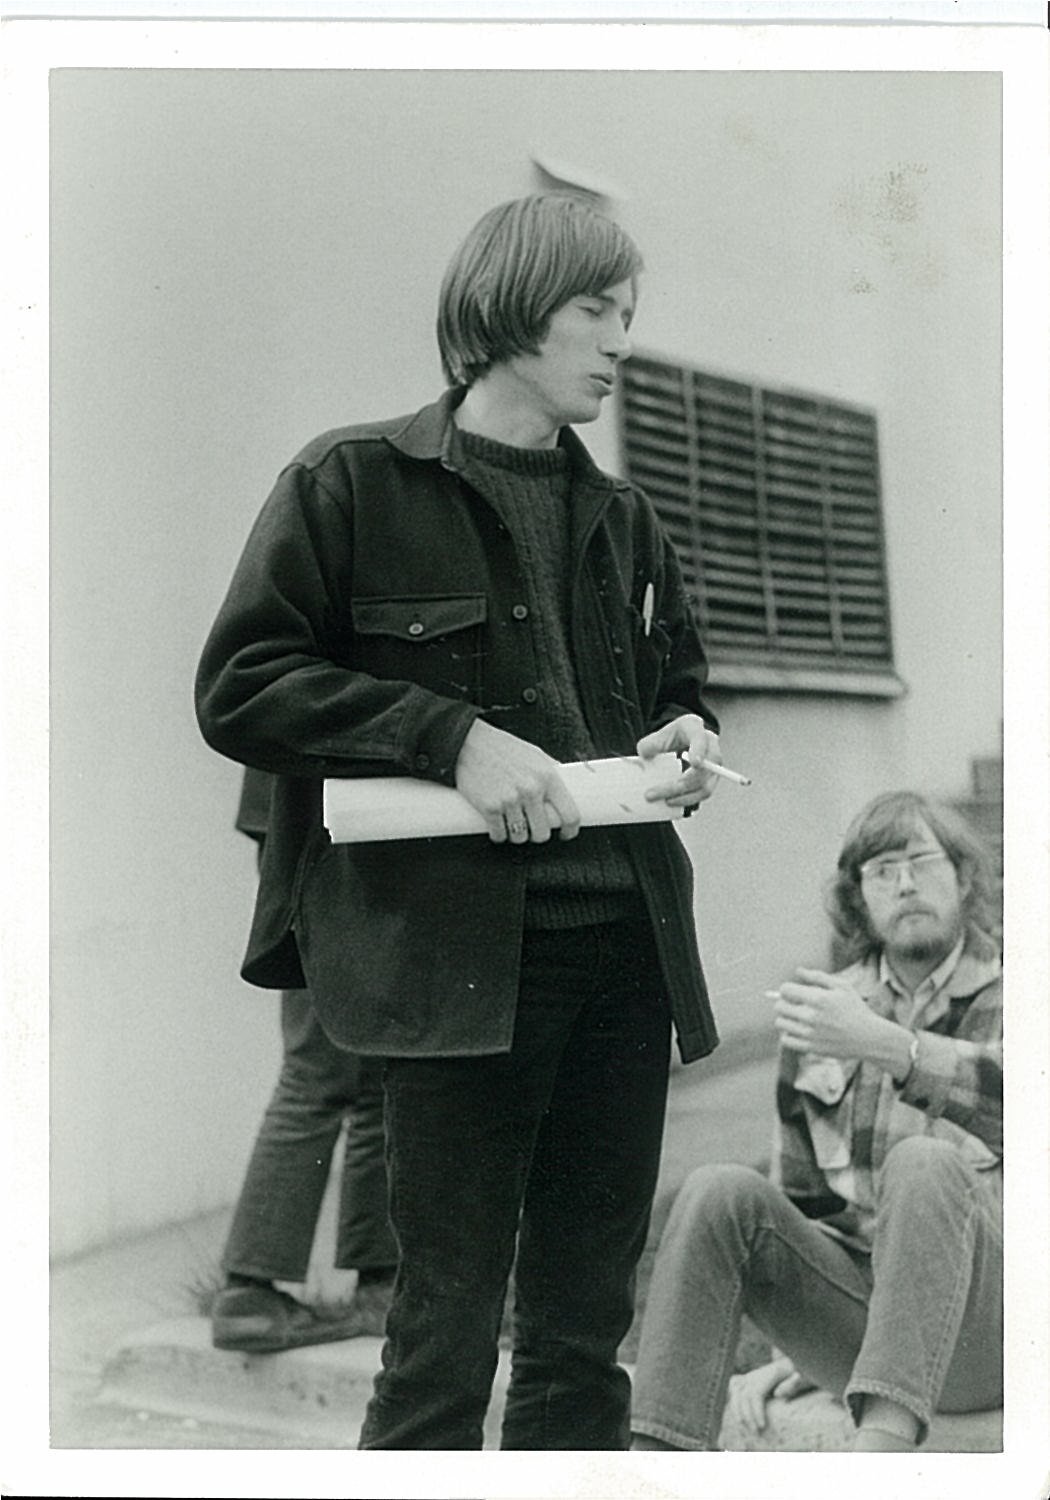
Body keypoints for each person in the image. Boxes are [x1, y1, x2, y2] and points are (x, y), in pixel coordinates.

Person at [195, 191, 725, 1449]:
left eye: (629, 317)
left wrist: (687, 738)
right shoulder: (351, 483)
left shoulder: (627, 519)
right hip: (456, 980)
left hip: (623, 966)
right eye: (599, 311)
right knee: (439, 1343)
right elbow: (240, 683)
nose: (620, 342)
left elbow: (678, 690)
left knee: (583, 1339)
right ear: (510, 306)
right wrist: (448, 737)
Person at [630, 790, 1003, 1453]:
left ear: (966, 875)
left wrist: (889, 1046)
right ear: (858, 899)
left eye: (921, 860)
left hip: (999, 1329)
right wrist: (794, 1353)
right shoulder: (825, 1012)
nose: (906, 883)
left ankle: (876, 1463)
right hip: (867, 1331)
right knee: (721, 1192)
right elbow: (802, 1212)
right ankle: (659, 1463)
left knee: (922, 1160)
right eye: (882, 871)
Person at [210, 767, 399, 1353]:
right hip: (328, 822)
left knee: (370, 1067)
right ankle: (250, 1291)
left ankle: (381, 1282)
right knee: (320, 1070)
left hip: (322, 818)